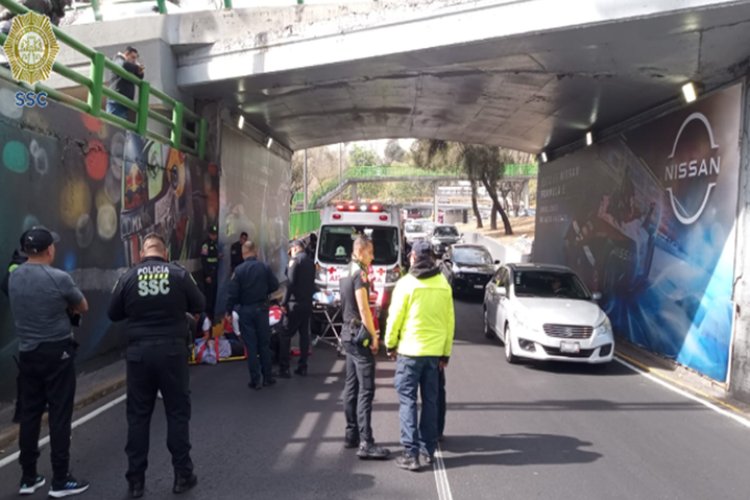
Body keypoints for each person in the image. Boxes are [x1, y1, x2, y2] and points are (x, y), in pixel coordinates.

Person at [108, 233, 205, 498]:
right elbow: (199, 304)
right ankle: (182, 475)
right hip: (172, 351)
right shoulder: (179, 275)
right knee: (176, 413)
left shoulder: (129, 277)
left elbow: (113, 313)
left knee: (138, 417)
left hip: (139, 353)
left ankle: (136, 481)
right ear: (165, 253)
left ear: (142, 254)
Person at [8, 226, 90, 497]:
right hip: (57, 352)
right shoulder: (59, 277)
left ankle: (28, 477)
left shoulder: (14, 277)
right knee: (59, 414)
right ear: (48, 250)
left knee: (30, 415)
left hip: (28, 353)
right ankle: (60, 479)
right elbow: (82, 306)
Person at [385, 240, 454, 471]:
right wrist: (445, 353)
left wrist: (390, 344)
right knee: (430, 402)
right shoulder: (443, 285)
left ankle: (410, 453)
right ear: (432, 258)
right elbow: (449, 323)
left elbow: (394, 318)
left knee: (407, 401)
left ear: (413, 257)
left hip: (409, 352)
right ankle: (428, 451)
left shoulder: (405, 284)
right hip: (434, 355)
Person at [340, 236, 390, 460]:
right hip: (359, 336)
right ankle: (366, 442)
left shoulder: (345, 270)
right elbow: (363, 309)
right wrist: (374, 336)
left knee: (351, 386)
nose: (372, 257)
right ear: (360, 252)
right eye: (370, 253)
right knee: (366, 390)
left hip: (346, 334)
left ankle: (351, 434)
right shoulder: (360, 274)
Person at [225, 240, 279, 390]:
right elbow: (274, 285)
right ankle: (268, 377)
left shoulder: (239, 271)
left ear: (243, 254)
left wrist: (229, 311)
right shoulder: (264, 267)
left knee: (251, 346)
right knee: (264, 344)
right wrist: (263, 291)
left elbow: (232, 294)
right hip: (262, 309)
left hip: (246, 310)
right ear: (255, 252)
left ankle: (255, 380)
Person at [278, 240, 316, 378]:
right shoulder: (310, 262)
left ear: (294, 249)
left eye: (290, 251)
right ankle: (303, 366)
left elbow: (290, 284)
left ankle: (284, 368)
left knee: (285, 334)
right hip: (307, 303)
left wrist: (283, 302)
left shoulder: (295, 261)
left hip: (294, 304)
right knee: (304, 335)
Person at [106, 46, 144, 120]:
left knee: (120, 128)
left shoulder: (131, 67)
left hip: (124, 103)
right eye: (133, 57)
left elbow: (140, 76)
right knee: (113, 126)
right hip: (116, 101)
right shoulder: (118, 59)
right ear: (126, 54)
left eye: (136, 58)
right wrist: (137, 68)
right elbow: (124, 65)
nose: (134, 61)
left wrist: (137, 69)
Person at [200, 225, 221, 321]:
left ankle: (212, 316)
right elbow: (204, 260)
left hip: (215, 272)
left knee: (214, 295)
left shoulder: (216, 244)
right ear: (209, 234)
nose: (214, 236)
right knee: (209, 296)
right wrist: (207, 274)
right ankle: (208, 317)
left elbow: (214, 257)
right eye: (213, 234)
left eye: (215, 235)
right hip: (209, 273)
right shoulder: (205, 244)